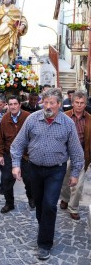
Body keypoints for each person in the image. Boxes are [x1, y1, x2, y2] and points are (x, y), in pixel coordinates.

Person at [11, 88, 84, 260]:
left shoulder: (67, 124)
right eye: (46, 102)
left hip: (56, 170)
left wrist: (74, 174)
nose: (48, 105)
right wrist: (15, 165)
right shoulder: (32, 119)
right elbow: (17, 144)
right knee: (39, 204)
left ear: (59, 104)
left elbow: (76, 152)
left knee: (50, 205)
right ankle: (45, 226)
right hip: (34, 169)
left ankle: (44, 243)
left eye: (52, 103)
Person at [0, 95, 31, 213]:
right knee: (6, 179)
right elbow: (0, 138)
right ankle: (9, 203)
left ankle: (32, 198)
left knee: (30, 180)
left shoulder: (28, 117)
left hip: (26, 155)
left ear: (20, 105)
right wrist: (0, 154)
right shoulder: (5, 119)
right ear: (7, 105)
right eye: (11, 104)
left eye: (15, 104)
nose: (13, 106)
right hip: (9, 154)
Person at [60, 90, 91, 220]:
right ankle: (65, 199)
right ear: (72, 103)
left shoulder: (89, 119)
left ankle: (73, 207)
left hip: (82, 155)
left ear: (85, 104)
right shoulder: (64, 116)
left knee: (78, 185)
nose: (79, 105)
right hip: (66, 154)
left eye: (82, 103)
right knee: (65, 181)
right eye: (77, 102)